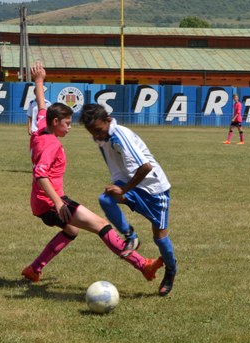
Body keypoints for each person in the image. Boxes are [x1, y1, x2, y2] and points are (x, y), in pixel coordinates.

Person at [21, 63, 164, 284]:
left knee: (71, 231)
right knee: (101, 226)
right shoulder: (51, 144)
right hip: (49, 202)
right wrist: (58, 203)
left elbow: (41, 105)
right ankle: (143, 265)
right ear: (56, 122)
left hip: (39, 202)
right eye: (67, 124)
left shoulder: (41, 126)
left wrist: (39, 80)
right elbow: (41, 175)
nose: (70, 128)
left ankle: (34, 269)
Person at [79, 103, 178, 296]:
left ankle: (171, 269)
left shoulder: (120, 136)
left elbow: (146, 167)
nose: (96, 135)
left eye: (98, 130)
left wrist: (123, 188)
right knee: (105, 198)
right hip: (132, 186)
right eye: (92, 132)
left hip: (154, 189)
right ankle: (131, 237)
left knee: (159, 237)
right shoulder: (102, 137)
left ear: (108, 120)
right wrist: (120, 186)